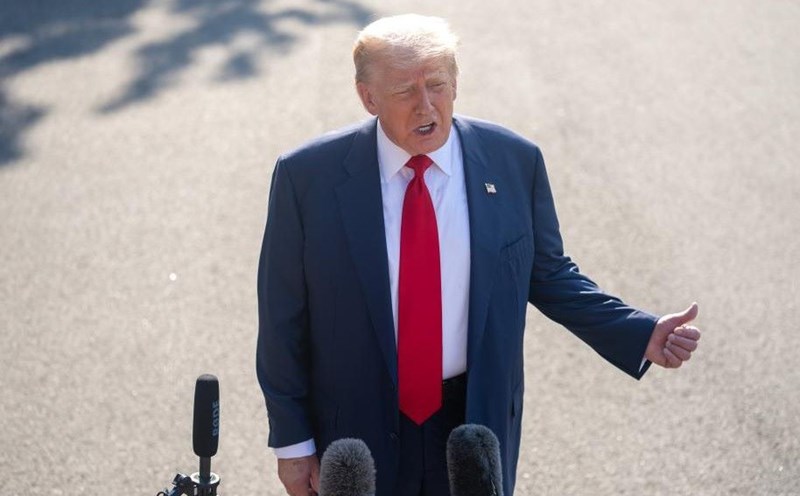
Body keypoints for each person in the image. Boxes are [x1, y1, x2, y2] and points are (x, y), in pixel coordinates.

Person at [256, 14, 701, 496]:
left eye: (438, 85)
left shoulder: (513, 161)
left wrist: (639, 331)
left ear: (456, 83)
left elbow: (549, 275)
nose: (426, 105)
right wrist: (293, 445)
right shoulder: (307, 178)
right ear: (368, 97)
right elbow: (282, 318)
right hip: (358, 431)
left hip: (472, 425)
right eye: (405, 90)